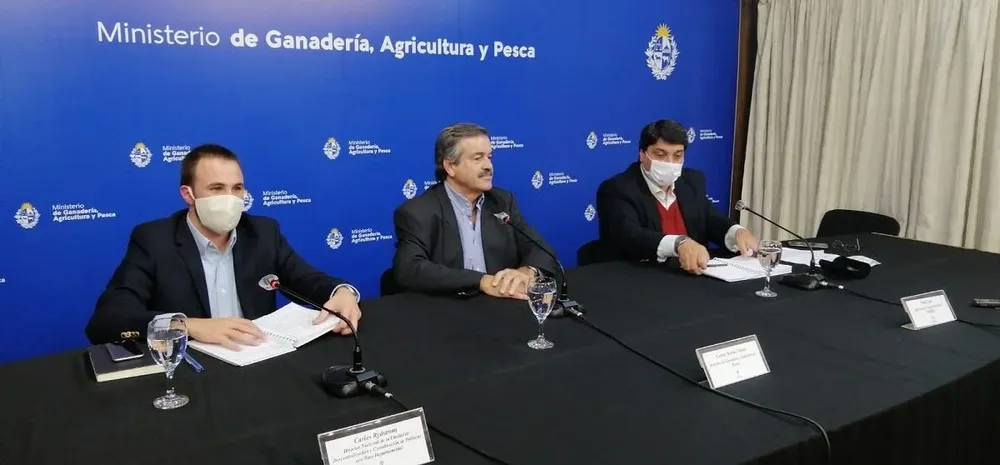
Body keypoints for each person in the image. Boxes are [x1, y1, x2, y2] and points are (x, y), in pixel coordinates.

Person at [85, 144, 362, 350]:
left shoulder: (262, 232)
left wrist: (343, 292)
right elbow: (108, 319)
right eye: (217, 188)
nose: (230, 199)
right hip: (192, 371)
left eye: (237, 188)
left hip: (258, 361)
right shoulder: (154, 240)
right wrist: (188, 325)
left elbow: (306, 279)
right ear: (188, 194)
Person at [392, 123, 558, 298]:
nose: (489, 166)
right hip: (446, 311)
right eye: (478, 158)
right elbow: (409, 269)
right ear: (450, 166)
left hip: (501, 309)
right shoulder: (418, 211)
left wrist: (526, 272)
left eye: (489, 157)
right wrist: (481, 281)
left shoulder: (502, 202)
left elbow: (542, 250)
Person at [596, 119, 760, 274]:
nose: (669, 162)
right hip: (641, 278)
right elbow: (629, 235)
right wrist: (678, 244)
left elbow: (710, 218)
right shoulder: (616, 189)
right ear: (642, 154)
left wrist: (737, 232)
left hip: (694, 276)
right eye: (660, 155)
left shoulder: (691, 181)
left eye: (677, 155)